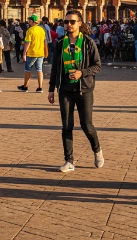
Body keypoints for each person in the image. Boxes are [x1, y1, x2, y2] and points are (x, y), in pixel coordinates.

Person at [48, 10, 103, 172]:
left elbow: (97, 65)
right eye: (66, 22)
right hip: (65, 89)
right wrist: (51, 89)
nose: (69, 25)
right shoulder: (59, 43)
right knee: (66, 126)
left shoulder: (87, 42)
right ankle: (69, 161)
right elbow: (55, 67)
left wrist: (82, 73)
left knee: (87, 125)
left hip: (84, 89)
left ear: (80, 23)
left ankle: (97, 150)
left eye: (72, 22)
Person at [18, 14, 47, 93]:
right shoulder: (42, 30)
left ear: (33, 22)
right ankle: (40, 87)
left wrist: (24, 53)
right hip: (40, 53)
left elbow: (27, 43)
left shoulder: (30, 30)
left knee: (27, 70)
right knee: (39, 69)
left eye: (30, 21)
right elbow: (44, 41)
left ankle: (25, 86)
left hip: (32, 53)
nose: (28, 22)